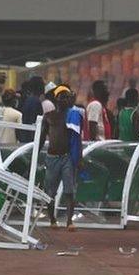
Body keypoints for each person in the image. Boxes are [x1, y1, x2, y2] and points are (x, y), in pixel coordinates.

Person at [39, 85, 82, 231]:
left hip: (66, 157)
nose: (65, 99)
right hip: (52, 158)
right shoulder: (49, 116)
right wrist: (36, 155)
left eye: (67, 97)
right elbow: (40, 138)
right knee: (50, 191)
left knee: (69, 190)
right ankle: (52, 219)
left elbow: (77, 139)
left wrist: (78, 158)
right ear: (56, 99)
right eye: (62, 97)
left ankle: (69, 221)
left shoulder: (72, 116)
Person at [19, 77, 45, 142]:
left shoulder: (29, 100)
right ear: (38, 86)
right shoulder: (35, 102)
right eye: (43, 85)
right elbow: (33, 121)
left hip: (26, 137)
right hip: (31, 138)